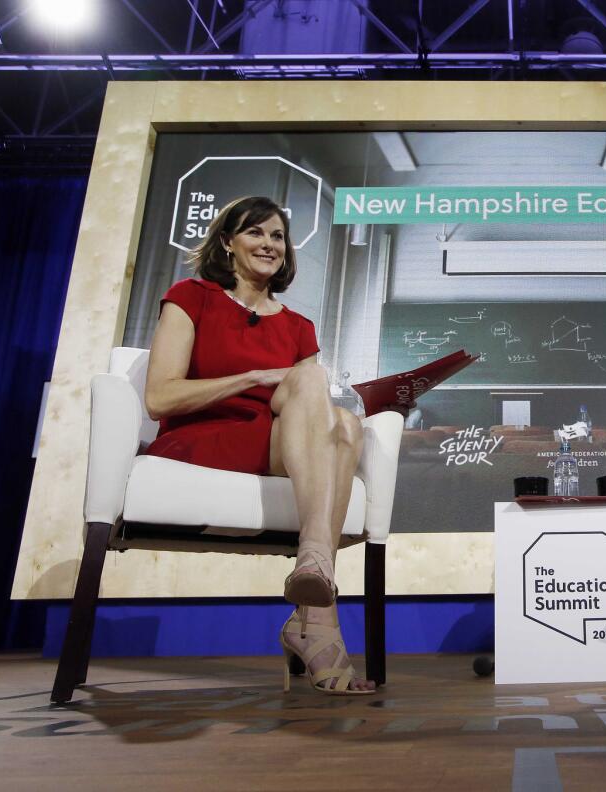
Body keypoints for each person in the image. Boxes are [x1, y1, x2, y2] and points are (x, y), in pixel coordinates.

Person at [144, 196, 377, 695]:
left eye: (277, 236)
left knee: (347, 424)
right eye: (256, 232)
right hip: (205, 438)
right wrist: (251, 376)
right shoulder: (192, 296)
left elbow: (311, 413)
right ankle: (318, 621)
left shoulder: (298, 326)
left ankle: (313, 571)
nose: (269, 244)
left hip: (276, 444)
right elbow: (159, 398)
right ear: (227, 242)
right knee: (325, 404)